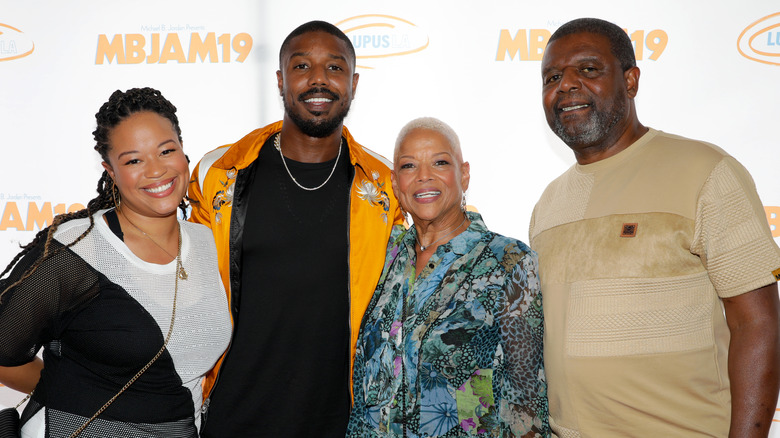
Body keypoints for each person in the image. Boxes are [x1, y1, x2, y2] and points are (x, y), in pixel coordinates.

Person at [530, 17, 780, 437]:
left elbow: (757, 324)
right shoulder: (548, 203)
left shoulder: (706, 171)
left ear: (631, 80)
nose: (566, 85)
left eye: (588, 69)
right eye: (552, 76)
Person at [188, 21, 403, 437]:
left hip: (343, 423)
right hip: (235, 418)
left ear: (354, 83)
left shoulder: (382, 187)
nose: (318, 79)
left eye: (335, 68)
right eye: (302, 66)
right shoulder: (222, 174)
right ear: (280, 80)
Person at [0, 87, 231, 437]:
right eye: (134, 160)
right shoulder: (76, 248)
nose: (156, 170)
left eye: (167, 151)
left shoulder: (211, 242)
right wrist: (75, 389)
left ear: (184, 152)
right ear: (110, 170)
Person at [346, 117, 550, 437]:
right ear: (396, 183)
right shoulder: (376, 259)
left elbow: (526, 401)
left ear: (463, 174)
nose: (424, 176)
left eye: (440, 162)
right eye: (409, 166)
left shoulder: (509, 262)